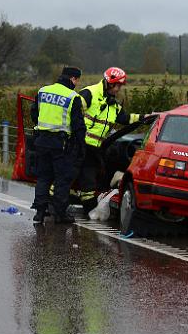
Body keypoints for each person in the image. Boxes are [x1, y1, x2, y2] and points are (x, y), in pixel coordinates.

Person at [75, 67, 145, 213]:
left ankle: (88, 209)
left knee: (89, 183)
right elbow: (72, 110)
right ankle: (51, 207)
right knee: (66, 176)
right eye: (118, 85)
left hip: (94, 149)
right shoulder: (90, 93)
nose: (119, 89)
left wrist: (146, 117)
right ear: (109, 83)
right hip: (78, 144)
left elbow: (126, 119)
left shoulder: (113, 105)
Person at [30, 66, 86, 224]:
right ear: (73, 79)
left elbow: (34, 114)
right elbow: (78, 126)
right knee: (62, 179)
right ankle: (60, 214)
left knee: (43, 178)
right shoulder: (72, 96)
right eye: (77, 81)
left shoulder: (43, 91)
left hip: (41, 141)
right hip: (60, 144)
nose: (77, 84)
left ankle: (40, 212)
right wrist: (81, 146)